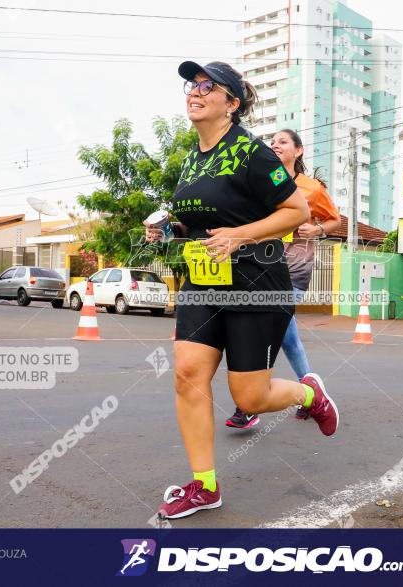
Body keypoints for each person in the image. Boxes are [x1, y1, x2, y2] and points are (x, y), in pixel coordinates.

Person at [144, 61, 340, 520]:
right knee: (187, 374)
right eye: (191, 85)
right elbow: (200, 222)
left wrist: (239, 235)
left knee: (249, 397)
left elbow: (293, 211)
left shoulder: (252, 153)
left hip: (256, 281)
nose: (195, 91)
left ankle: (311, 395)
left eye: (207, 85)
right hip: (203, 281)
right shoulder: (192, 158)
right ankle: (203, 485)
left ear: (231, 103)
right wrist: (170, 229)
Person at [225, 129, 340, 429]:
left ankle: (249, 405)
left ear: (298, 151)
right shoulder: (261, 182)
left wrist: (316, 231)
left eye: (283, 142)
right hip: (260, 267)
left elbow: (334, 220)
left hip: (294, 269)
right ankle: (310, 394)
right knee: (286, 336)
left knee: (269, 330)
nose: (275, 144)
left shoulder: (311, 188)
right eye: (272, 142)